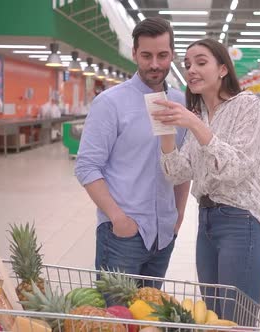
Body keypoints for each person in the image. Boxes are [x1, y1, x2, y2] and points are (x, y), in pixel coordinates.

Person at [152, 39, 260, 318]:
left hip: (242, 223)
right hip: (207, 223)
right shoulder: (202, 115)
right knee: (213, 318)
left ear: (222, 69)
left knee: (236, 318)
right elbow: (178, 173)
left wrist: (194, 125)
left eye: (201, 62)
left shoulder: (248, 106)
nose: (192, 69)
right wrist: (166, 132)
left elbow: (235, 168)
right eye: (188, 64)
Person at [74, 17, 190, 286]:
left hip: (163, 235)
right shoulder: (110, 103)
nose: (154, 64)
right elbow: (86, 167)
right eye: (146, 55)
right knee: (117, 319)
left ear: (172, 54)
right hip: (122, 235)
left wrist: (178, 215)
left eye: (162, 55)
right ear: (134, 53)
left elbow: (183, 166)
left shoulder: (179, 104)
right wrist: (118, 218)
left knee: (149, 318)